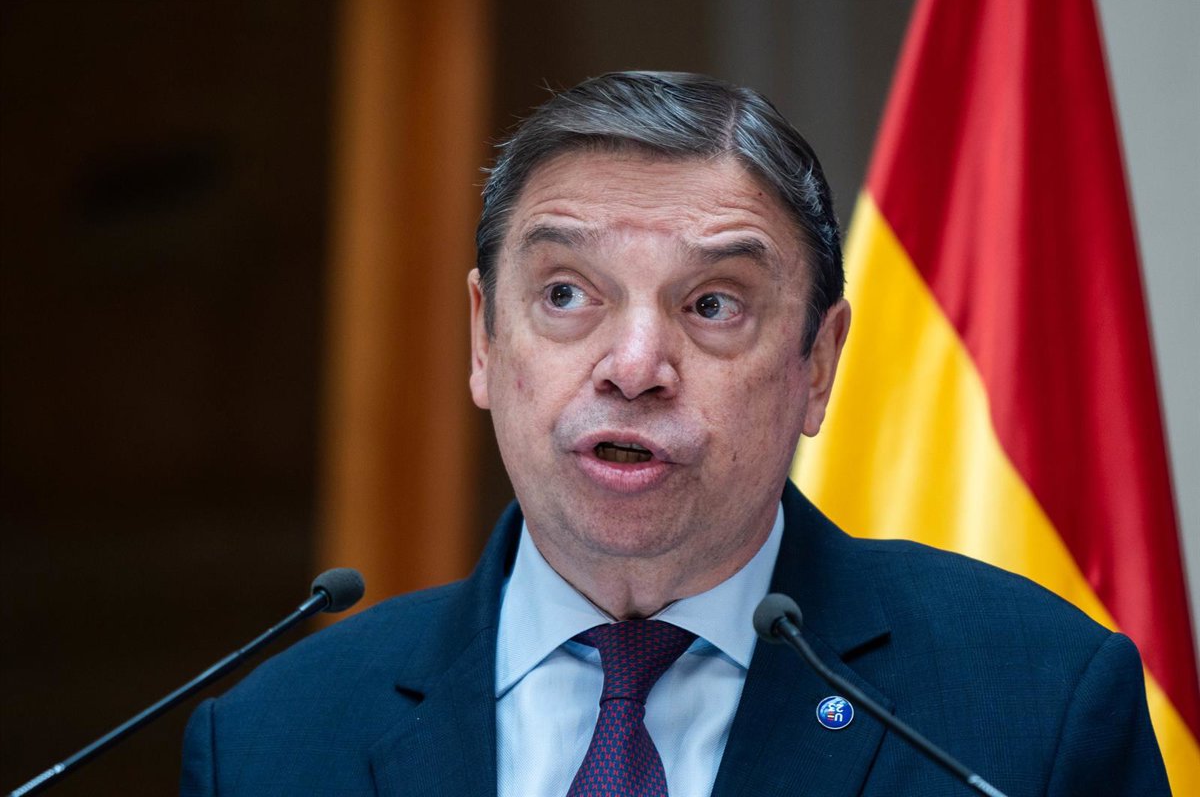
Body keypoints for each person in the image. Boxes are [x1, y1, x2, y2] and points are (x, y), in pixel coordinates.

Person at [180, 71, 1168, 796]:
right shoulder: (271, 744)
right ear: (483, 339)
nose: (634, 364)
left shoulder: (1035, 706)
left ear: (818, 365)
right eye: (566, 294)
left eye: (712, 304)